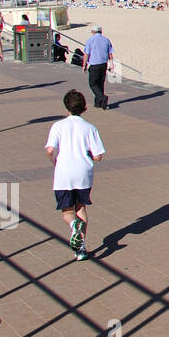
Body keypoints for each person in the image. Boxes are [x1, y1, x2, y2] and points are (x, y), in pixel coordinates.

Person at [45, 89, 106, 261]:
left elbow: (50, 150)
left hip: (63, 173)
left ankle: (73, 225)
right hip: (83, 173)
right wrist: (90, 155)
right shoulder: (90, 127)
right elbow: (98, 156)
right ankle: (81, 249)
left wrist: (55, 162)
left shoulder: (57, 126)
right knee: (81, 207)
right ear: (84, 108)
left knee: (67, 211)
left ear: (66, 107)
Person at [82, 26, 114, 110]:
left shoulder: (90, 40)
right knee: (100, 83)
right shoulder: (106, 40)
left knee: (93, 83)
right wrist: (111, 64)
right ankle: (98, 103)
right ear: (101, 32)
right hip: (103, 64)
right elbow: (110, 54)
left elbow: (86, 54)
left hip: (94, 65)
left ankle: (102, 97)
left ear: (93, 32)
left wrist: (84, 65)